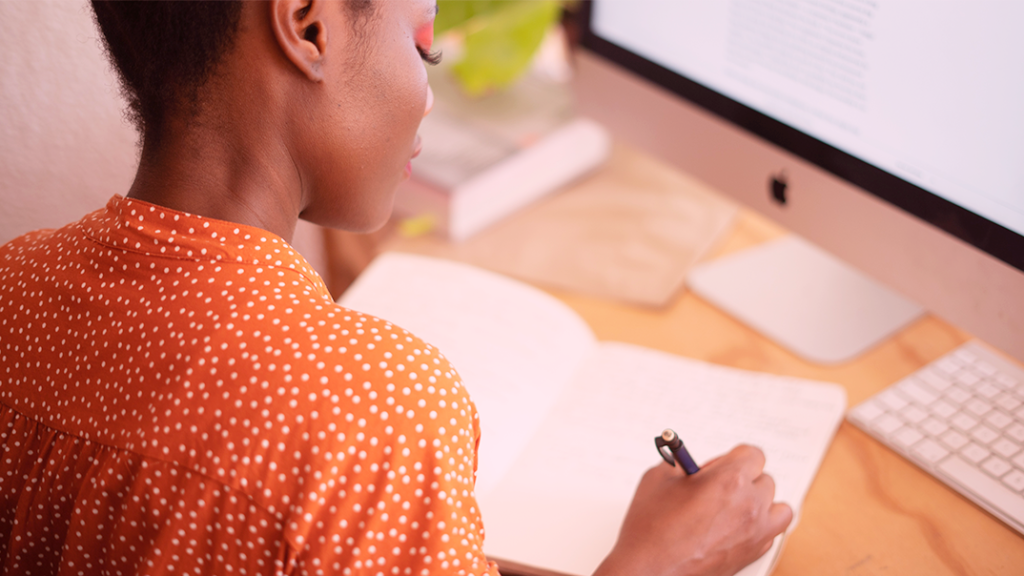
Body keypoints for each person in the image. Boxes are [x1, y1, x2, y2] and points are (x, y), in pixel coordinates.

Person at [0, 1, 791, 574]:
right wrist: (659, 565)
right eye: (425, 49)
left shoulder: (14, 288)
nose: (430, 95)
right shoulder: (375, 415)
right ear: (307, 26)